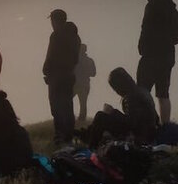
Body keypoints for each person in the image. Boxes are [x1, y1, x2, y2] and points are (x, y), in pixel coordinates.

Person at [137, 0, 178, 125]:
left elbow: (146, 31)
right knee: (163, 94)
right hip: (167, 56)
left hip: (150, 56)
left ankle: (147, 122)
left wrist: (145, 47)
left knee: (143, 91)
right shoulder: (172, 9)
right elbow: (177, 36)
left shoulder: (151, 8)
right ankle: (165, 126)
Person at [86, 67, 158, 148]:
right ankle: (88, 136)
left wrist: (112, 112)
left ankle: (91, 147)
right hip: (148, 134)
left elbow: (131, 123)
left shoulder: (131, 97)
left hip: (139, 136)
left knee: (100, 117)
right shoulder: (142, 91)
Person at [43, 9, 81, 145]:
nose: (51, 24)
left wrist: (46, 71)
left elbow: (50, 56)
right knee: (67, 105)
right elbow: (76, 58)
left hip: (56, 76)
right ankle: (69, 135)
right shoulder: (75, 37)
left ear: (56, 20)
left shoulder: (56, 35)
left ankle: (59, 135)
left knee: (56, 106)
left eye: (52, 20)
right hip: (69, 75)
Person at [74, 43, 96, 124]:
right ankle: (81, 120)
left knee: (69, 101)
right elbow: (93, 73)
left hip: (75, 84)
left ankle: (76, 119)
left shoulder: (74, 60)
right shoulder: (90, 61)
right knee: (83, 103)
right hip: (84, 84)